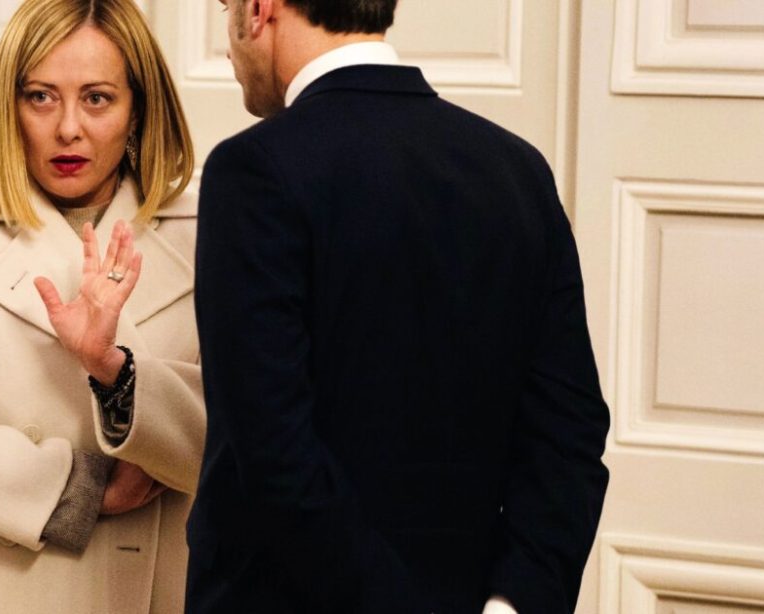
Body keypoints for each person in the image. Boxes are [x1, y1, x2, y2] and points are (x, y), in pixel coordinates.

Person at [188, 1, 610, 613]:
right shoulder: (517, 170)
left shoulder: (253, 171)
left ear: (259, 9)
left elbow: (275, 456)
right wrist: (512, 603)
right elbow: (568, 434)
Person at [0, 1, 204, 612]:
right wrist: (84, 489)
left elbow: (242, 434)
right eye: (41, 97)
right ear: (9, 106)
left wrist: (116, 372)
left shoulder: (210, 232)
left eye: (97, 98)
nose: (68, 128)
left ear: (137, 109)